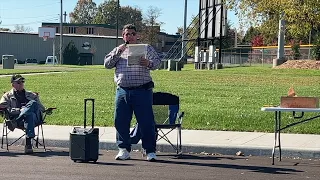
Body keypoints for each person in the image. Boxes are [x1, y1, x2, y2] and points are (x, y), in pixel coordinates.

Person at [104, 24, 161, 161]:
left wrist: (148, 63)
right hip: (123, 91)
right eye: (127, 34)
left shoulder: (146, 48)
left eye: (133, 34)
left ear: (137, 36)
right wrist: (118, 52)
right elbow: (107, 64)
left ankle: (150, 151)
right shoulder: (118, 50)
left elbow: (158, 63)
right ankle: (123, 149)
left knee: (146, 122)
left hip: (142, 90)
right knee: (121, 121)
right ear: (123, 36)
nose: (130, 36)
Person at [0, 74, 47, 154]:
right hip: (17, 119)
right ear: (12, 84)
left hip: (21, 121)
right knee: (29, 115)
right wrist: (20, 110)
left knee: (32, 104)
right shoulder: (7, 96)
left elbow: (41, 109)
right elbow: (4, 108)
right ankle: (28, 144)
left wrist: (28, 109)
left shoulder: (32, 95)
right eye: (18, 82)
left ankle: (15, 122)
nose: (21, 83)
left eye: (22, 81)